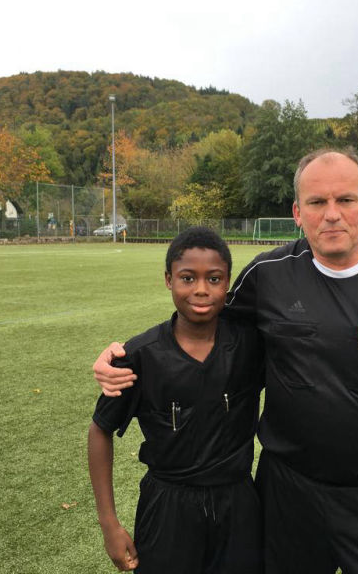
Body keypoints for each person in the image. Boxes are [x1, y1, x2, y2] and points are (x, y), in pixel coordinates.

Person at [94, 148, 358, 574]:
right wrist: (123, 353)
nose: (332, 214)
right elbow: (200, 321)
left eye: (345, 200)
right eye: (317, 202)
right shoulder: (267, 274)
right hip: (288, 497)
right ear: (297, 212)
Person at [87, 226, 264, 573]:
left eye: (214, 279)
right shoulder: (140, 356)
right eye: (187, 278)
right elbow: (100, 430)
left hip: (239, 504)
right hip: (167, 507)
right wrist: (109, 524)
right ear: (168, 280)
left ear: (228, 283)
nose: (201, 289)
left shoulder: (252, 346)